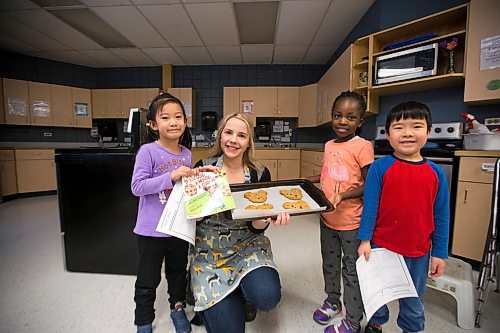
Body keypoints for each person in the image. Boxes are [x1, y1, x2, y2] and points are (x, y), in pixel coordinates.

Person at [190, 112, 291, 333]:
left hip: (248, 247)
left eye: (241, 135)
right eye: (228, 132)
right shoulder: (205, 167)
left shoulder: (259, 173)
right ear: (219, 136)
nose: (233, 140)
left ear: (248, 143)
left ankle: (244, 292)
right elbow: (195, 221)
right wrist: (196, 208)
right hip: (210, 255)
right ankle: (224, 297)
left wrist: (265, 219)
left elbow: (257, 227)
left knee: (267, 297)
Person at [358, 101, 450, 333]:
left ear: (428, 132)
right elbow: (370, 207)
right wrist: (365, 240)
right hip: (381, 246)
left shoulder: (436, 173)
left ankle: (411, 329)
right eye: (399, 127)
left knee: (413, 297)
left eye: (416, 126)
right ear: (388, 135)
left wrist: (439, 253)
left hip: (418, 251)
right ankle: (376, 323)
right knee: (378, 291)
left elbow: (441, 216)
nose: (407, 133)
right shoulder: (380, 168)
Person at [131, 93, 212, 333]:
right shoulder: (147, 151)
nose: (173, 122)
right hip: (151, 231)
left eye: (178, 116)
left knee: (177, 274)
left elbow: (184, 190)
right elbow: (137, 187)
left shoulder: (186, 153)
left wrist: (200, 180)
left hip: (178, 228)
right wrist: (170, 176)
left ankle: (177, 309)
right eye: (165, 117)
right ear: (154, 124)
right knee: (148, 279)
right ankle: (143, 320)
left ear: (185, 121)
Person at [308, 91, 374, 333]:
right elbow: (329, 174)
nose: (343, 122)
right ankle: (333, 302)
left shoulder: (363, 146)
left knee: (352, 271)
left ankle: (353, 321)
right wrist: (307, 180)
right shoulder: (328, 145)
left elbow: (369, 185)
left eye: (350, 117)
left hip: (351, 223)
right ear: (332, 117)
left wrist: (343, 196)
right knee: (330, 264)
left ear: (360, 121)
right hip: (328, 218)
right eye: (338, 116)